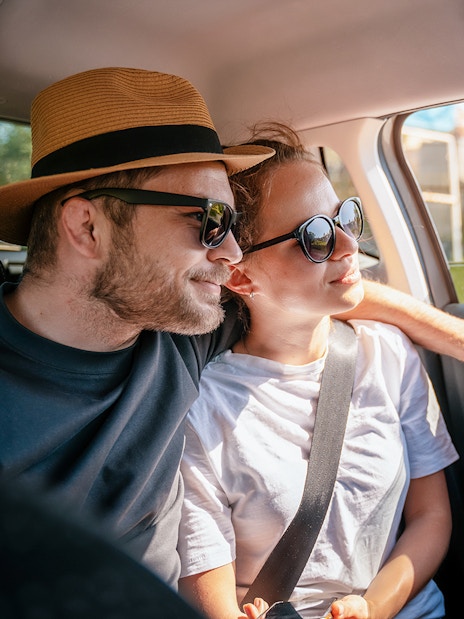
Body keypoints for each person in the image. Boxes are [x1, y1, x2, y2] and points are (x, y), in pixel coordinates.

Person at [0, 68, 461, 591]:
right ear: (87, 227)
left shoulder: (178, 333)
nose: (232, 254)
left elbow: (321, 292)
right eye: (209, 222)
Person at [177, 124, 460, 619]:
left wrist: (372, 608)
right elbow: (209, 587)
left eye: (344, 217)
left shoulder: (389, 353)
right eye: (316, 237)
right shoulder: (201, 406)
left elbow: (431, 516)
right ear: (240, 275)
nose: (350, 244)